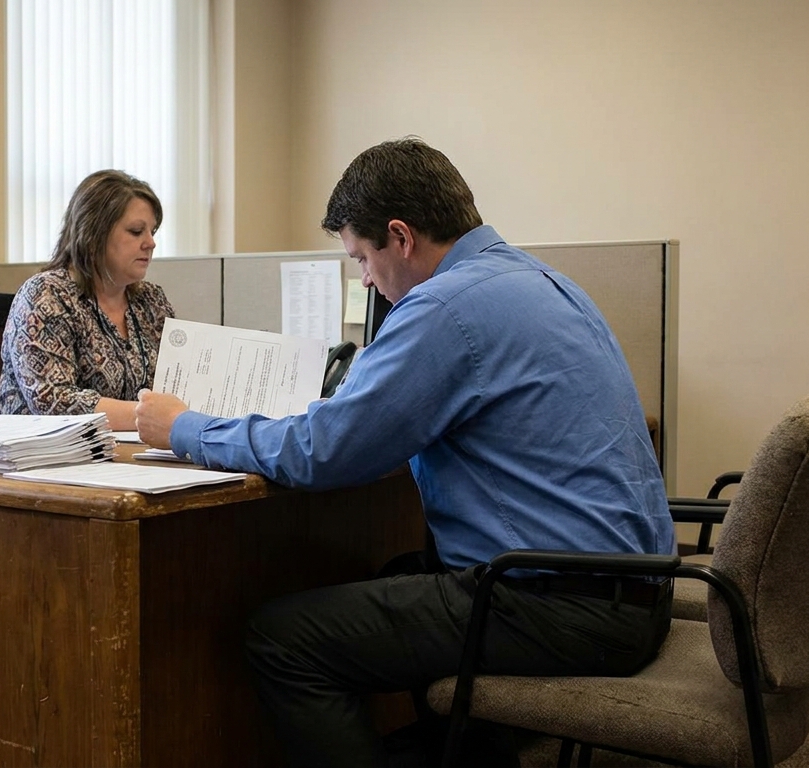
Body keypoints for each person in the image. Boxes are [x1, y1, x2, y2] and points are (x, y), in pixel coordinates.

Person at [135, 138, 675, 767]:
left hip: (560, 607)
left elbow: (322, 450)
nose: (365, 279)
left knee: (282, 640)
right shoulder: (539, 278)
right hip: (634, 590)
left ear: (401, 236)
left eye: (362, 258)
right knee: (394, 577)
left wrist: (183, 426)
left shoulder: (444, 306)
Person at [0, 170, 175, 430]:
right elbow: (54, 402)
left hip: (126, 453)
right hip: (39, 455)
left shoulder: (151, 300)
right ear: (93, 234)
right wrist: (156, 416)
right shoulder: (47, 295)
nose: (151, 243)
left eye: (152, 231)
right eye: (136, 231)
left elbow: (177, 381)